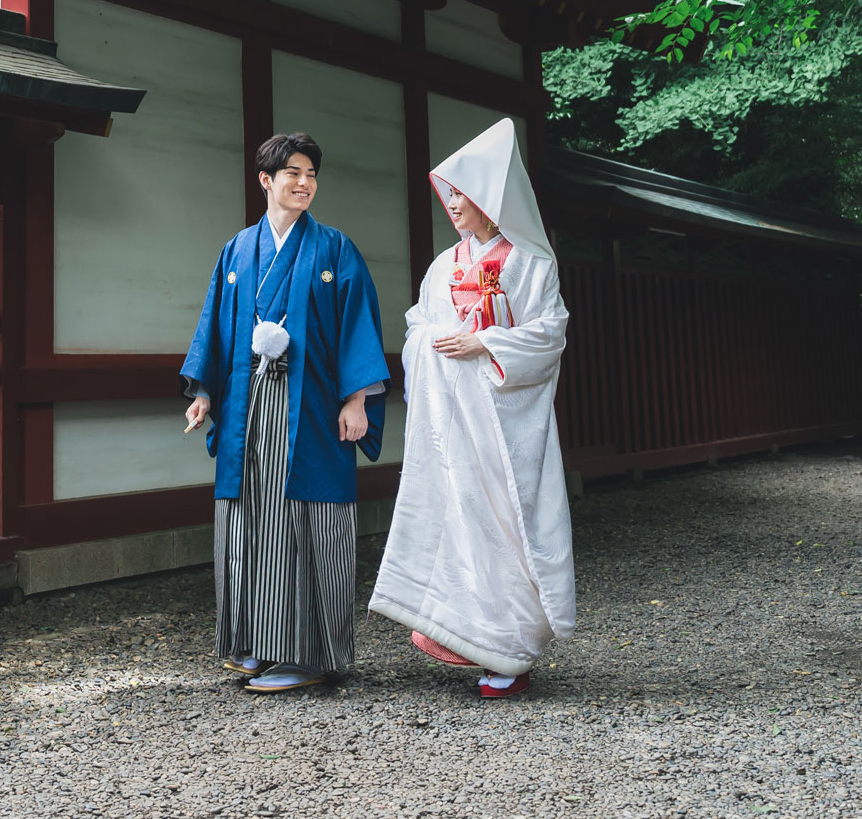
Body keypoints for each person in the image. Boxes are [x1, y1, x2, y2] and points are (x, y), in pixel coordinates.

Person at [370, 117, 575, 698]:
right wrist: (437, 342)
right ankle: (469, 637)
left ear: (490, 198)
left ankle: (511, 648)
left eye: (462, 194)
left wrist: (484, 342)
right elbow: (418, 324)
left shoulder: (532, 263)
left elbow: (550, 334)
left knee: (509, 520)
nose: (452, 205)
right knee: (460, 520)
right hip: (454, 423)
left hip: (504, 425)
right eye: (449, 194)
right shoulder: (444, 265)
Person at [181, 132, 390, 692]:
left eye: (312, 174)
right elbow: (215, 327)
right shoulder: (236, 250)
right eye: (293, 173)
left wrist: (356, 399)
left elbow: (357, 324)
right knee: (249, 519)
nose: (304, 183)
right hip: (247, 402)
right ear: (265, 181)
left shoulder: (333, 248)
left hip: (314, 407)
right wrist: (204, 393)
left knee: (309, 521)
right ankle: (252, 642)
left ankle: (306, 654)